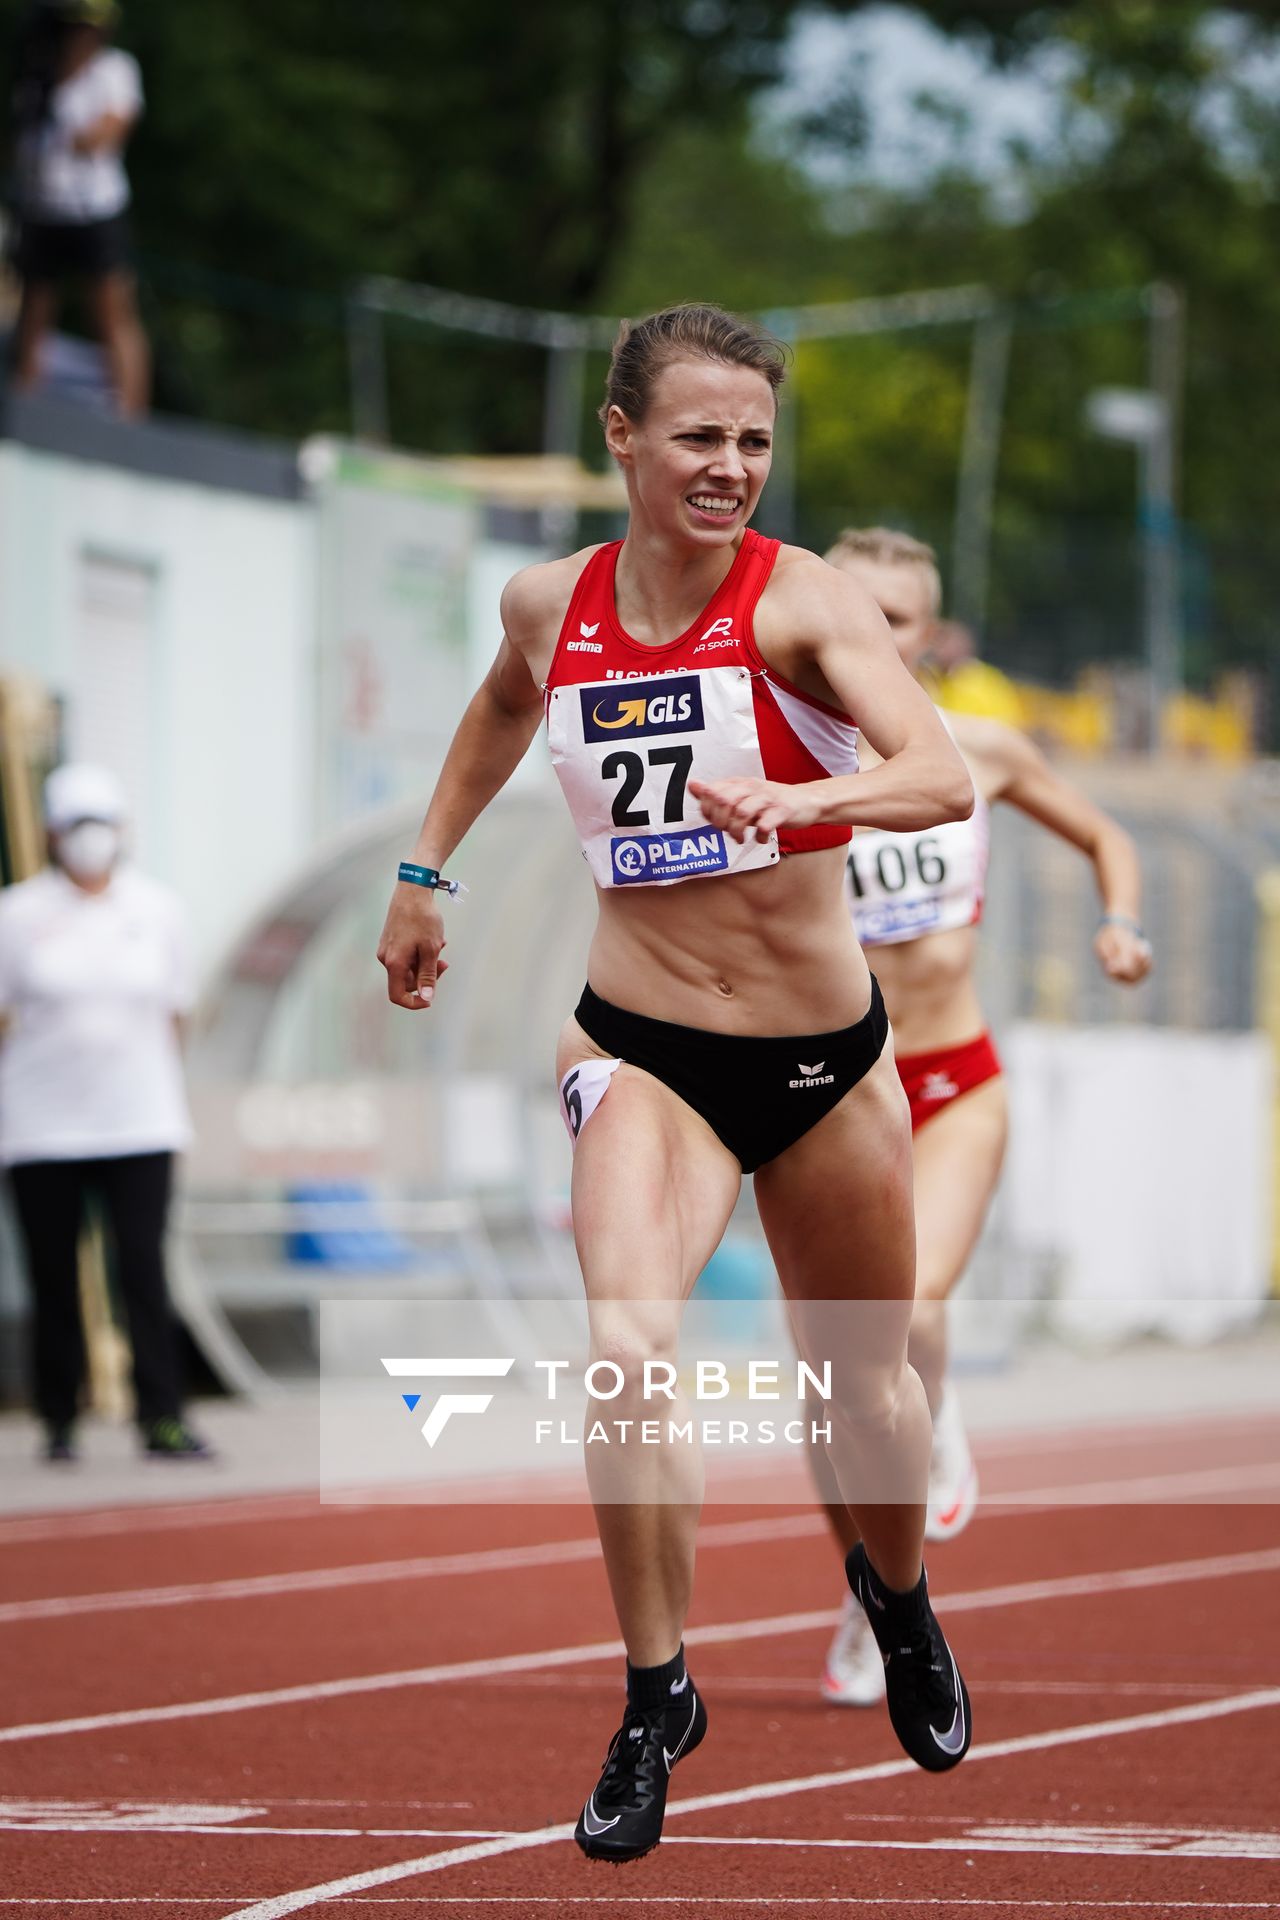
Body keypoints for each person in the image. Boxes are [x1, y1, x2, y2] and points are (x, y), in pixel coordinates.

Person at [378, 305, 978, 1867]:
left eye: (756, 442)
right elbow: (505, 710)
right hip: (642, 1046)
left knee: (866, 1390)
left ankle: (898, 1598)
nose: (731, 468)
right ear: (623, 437)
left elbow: (938, 772)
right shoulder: (546, 604)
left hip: (823, 1061)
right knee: (629, 1348)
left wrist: (798, 795)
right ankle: (658, 1693)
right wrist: (423, 868)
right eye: (702, 436)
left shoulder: (807, 607)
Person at [816, 527, 1152, 1708]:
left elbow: (1106, 834)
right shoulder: (781, 751)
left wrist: (1120, 922)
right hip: (826, 1091)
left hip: (952, 1078)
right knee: (830, 1385)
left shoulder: (982, 750)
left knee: (909, 1308)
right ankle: (873, 1605)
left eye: (897, 618)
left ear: (928, 635)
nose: (873, 632)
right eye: (853, 607)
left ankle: (941, 1411)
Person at [0, 762, 209, 1461]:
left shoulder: (158, 910)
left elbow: (178, 1014)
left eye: (101, 824)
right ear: (50, 833)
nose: (90, 839)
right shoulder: (18, 915)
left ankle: (162, 1417)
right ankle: (59, 1420)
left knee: (143, 1271)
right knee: (53, 1276)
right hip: (40, 1128)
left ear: (123, 831)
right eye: (76, 825)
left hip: (140, 1123)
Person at [6, 0, 149, 415]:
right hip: (42, 209)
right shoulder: (39, 77)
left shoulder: (114, 70)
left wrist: (68, 114)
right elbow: (22, 146)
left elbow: (103, 137)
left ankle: (129, 417)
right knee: (33, 312)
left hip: (95, 211)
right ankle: (23, 406)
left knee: (112, 312)